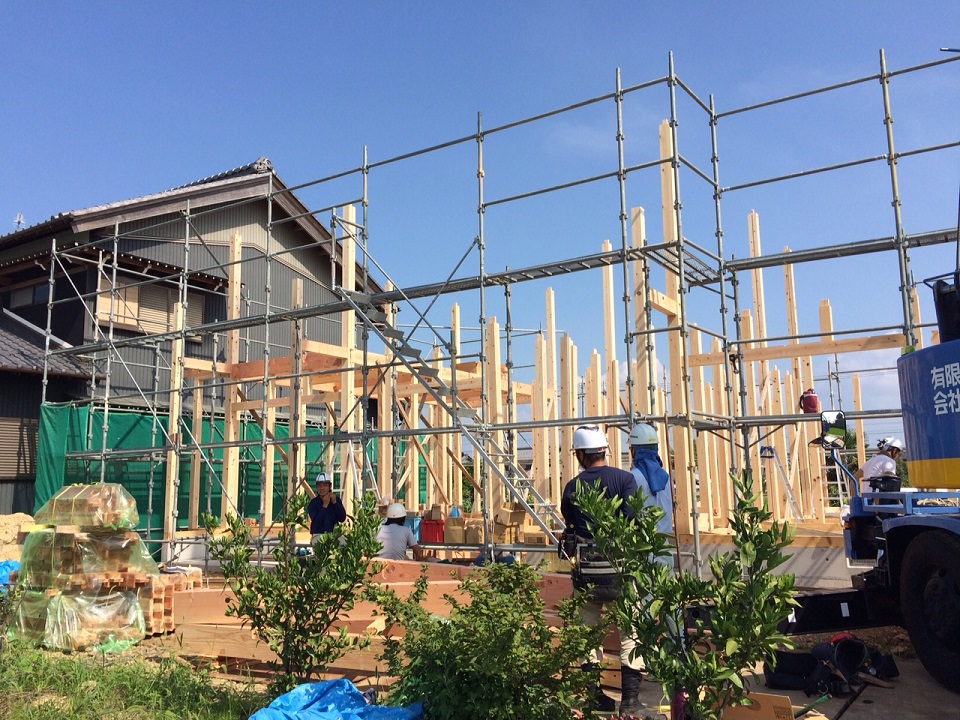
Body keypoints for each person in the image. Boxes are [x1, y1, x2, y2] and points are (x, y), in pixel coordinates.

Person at [560, 425, 645, 717]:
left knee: (587, 633)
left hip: (586, 575)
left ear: (581, 454)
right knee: (630, 633)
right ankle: (630, 702)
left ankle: (595, 697)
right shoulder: (625, 480)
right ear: (603, 451)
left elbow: (570, 524)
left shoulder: (572, 487)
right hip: (621, 572)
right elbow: (634, 520)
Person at [627, 423, 674, 540]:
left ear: (635, 450)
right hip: (663, 544)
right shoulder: (666, 477)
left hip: (643, 545)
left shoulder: (632, 478)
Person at [306, 472, 346, 542]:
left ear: (329, 486)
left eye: (325, 485)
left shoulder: (336, 500)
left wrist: (335, 503)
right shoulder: (313, 503)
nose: (322, 488)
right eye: (319, 486)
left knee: (344, 542)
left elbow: (342, 518)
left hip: (334, 535)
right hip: (318, 535)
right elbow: (316, 523)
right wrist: (324, 506)